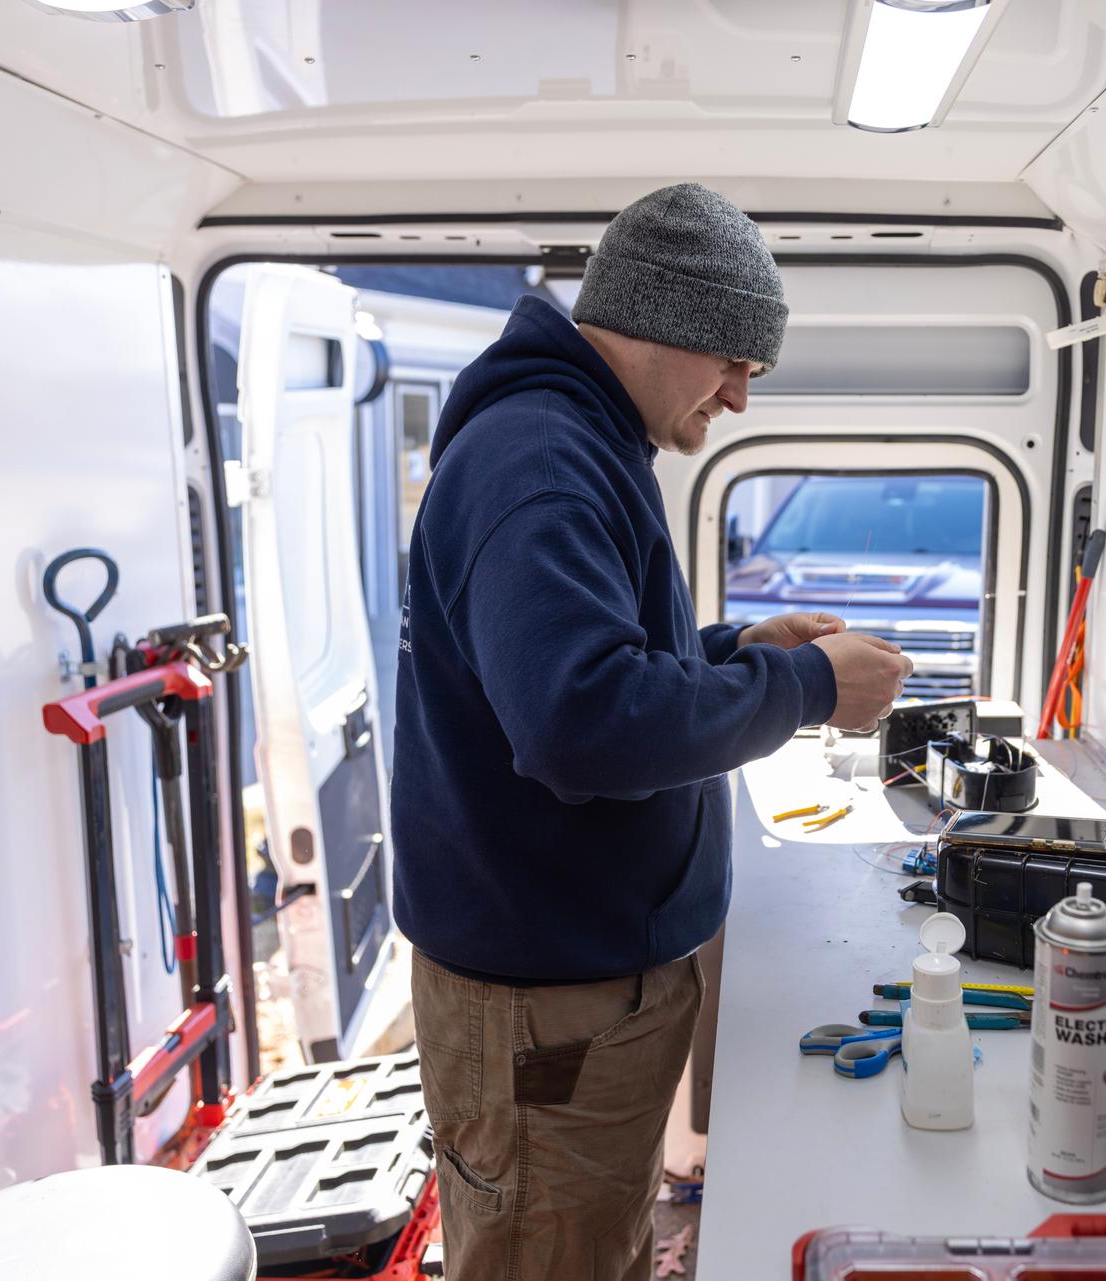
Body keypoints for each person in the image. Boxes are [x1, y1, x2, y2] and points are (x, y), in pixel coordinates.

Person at [391, 183, 912, 1280]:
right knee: (549, 1255)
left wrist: (738, 653)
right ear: (660, 324)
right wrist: (808, 689)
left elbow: (597, 666)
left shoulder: (583, 441)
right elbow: (581, 727)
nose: (737, 400)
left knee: (591, 1245)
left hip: (579, 994)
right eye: (733, 364)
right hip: (544, 1007)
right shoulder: (539, 465)